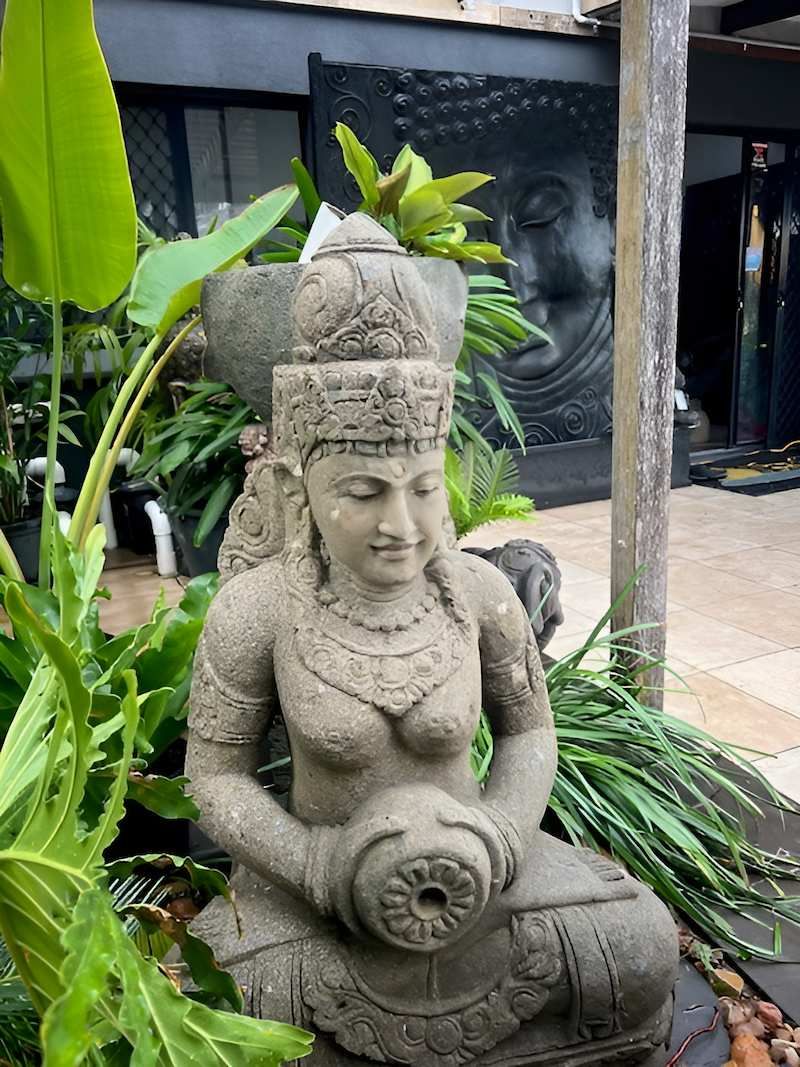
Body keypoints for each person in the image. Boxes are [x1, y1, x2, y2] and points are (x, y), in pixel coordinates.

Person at [185, 215, 676, 1066]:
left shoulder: (479, 594)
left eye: (421, 487)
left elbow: (529, 732)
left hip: (482, 871)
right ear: (304, 490)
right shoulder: (259, 611)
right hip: (317, 888)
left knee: (638, 944)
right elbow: (214, 776)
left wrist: (501, 835)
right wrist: (313, 862)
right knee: (221, 989)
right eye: (364, 492)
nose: (400, 525)